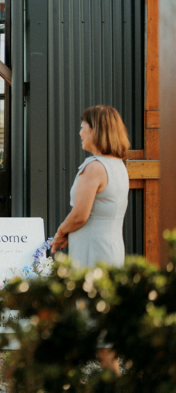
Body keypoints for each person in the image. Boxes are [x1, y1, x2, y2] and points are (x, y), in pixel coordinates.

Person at [50, 105, 130, 375]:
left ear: (97, 130)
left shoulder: (94, 167)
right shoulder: (118, 165)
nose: (80, 131)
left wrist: (61, 232)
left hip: (92, 257)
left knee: (94, 334)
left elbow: (80, 215)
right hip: (110, 250)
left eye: (83, 126)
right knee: (103, 336)